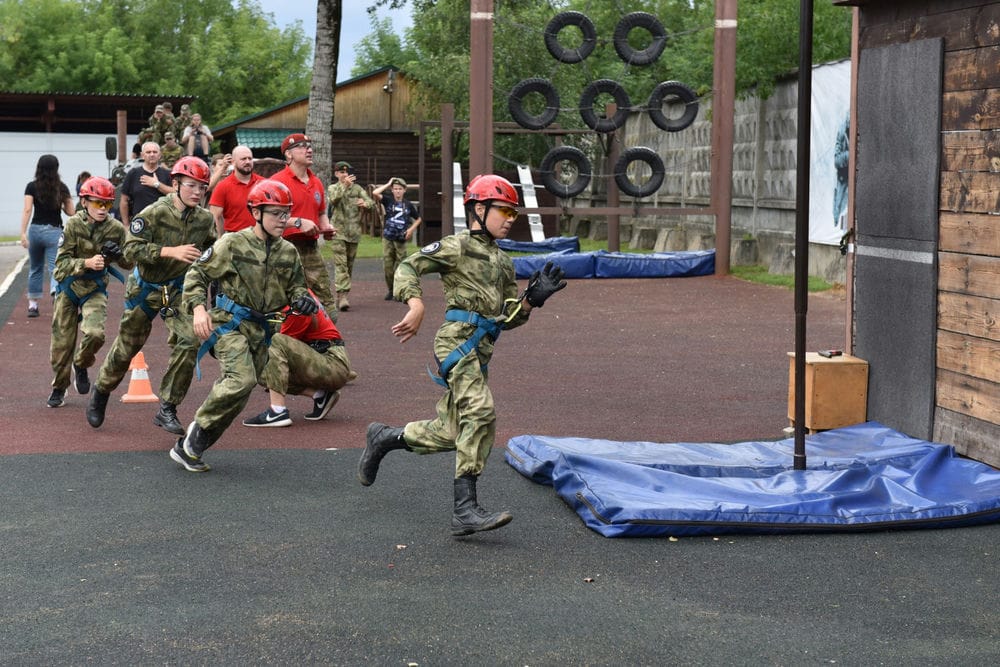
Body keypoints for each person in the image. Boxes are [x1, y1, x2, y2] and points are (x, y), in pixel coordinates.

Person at [357, 174, 567, 537]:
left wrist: (531, 301)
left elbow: (505, 319)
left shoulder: (504, 262)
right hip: (455, 343)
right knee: (481, 413)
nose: (508, 219)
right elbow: (409, 266)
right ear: (479, 209)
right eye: (503, 210)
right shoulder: (456, 246)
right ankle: (464, 510)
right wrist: (416, 303)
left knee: (451, 431)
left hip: (480, 350)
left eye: (513, 213)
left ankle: (385, 438)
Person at [171, 179, 317, 472]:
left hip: (263, 332)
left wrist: (303, 301)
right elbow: (196, 274)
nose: (282, 219)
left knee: (240, 393)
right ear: (256, 212)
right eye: (275, 213)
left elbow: (297, 288)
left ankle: (193, 444)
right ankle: (196, 433)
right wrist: (199, 310)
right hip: (230, 325)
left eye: (285, 212)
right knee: (241, 380)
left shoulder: (288, 251)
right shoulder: (232, 243)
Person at [86, 157, 216, 435]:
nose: (197, 192)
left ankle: (167, 407)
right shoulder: (154, 213)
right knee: (126, 348)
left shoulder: (204, 219)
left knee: (190, 340)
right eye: (191, 185)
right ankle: (102, 390)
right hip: (146, 290)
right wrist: (170, 251)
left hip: (179, 291)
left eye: (202, 188)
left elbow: (213, 250)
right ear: (176, 184)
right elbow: (131, 251)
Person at [48, 176, 133, 408]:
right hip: (69, 287)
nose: (103, 209)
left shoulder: (115, 229)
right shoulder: (73, 225)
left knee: (95, 334)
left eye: (107, 204)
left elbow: (129, 263)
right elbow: (60, 265)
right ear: (84, 202)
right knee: (61, 344)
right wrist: (85, 263)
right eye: (97, 203)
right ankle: (59, 386)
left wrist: (117, 256)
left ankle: (82, 364)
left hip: (95, 289)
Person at [242, 288, 355, 428]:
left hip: (331, 362)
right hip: (327, 358)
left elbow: (280, 347)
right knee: (262, 371)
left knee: (274, 348)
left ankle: (277, 411)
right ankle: (320, 395)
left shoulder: (296, 305)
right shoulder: (296, 292)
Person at [270, 133, 338, 315]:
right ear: (289, 154)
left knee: (328, 307)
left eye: (309, 146)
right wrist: (298, 222)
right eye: (302, 146)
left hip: (311, 249)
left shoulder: (316, 182)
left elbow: (321, 212)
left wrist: (327, 227)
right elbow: (268, 219)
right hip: (284, 249)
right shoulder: (277, 182)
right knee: (286, 304)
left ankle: (320, 341)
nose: (309, 150)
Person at [20, 154, 75, 318]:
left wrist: (23, 233)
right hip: (54, 231)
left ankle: (33, 305)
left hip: (36, 230)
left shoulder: (31, 186)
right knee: (55, 267)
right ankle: (55, 292)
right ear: (56, 168)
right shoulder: (62, 187)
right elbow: (71, 211)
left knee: (35, 267)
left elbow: (27, 210)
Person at [327, 161, 374, 311]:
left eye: (346, 172)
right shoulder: (333, 188)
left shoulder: (357, 189)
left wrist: (365, 203)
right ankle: (342, 297)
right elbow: (334, 199)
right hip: (338, 232)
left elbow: (371, 202)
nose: (345, 175)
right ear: (336, 174)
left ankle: (343, 293)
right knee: (341, 265)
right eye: (341, 172)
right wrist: (344, 186)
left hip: (354, 233)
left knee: (349, 266)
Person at [372, 176, 422, 301]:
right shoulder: (388, 201)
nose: (398, 191)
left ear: (404, 190)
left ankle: (399, 289)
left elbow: (419, 219)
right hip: (388, 237)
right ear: (392, 190)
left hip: (401, 239)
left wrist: (411, 230)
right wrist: (388, 183)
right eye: (395, 189)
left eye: (400, 189)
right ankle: (391, 289)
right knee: (388, 265)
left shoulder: (408, 205)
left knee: (401, 265)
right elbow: (375, 193)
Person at [209, 146, 263, 236]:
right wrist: (220, 239)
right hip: (235, 239)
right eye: (243, 159)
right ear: (233, 162)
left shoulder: (264, 184)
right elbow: (214, 216)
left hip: (260, 238)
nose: (248, 162)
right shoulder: (223, 186)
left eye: (250, 158)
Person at [119, 141, 172, 225]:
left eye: (155, 152)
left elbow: (176, 194)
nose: (152, 154)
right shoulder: (133, 173)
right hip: (139, 223)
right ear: (142, 155)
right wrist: (126, 225)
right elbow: (124, 201)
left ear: (159, 155)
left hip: (163, 224)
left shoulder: (167, 174)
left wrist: (157, 184)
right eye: (148, 152)